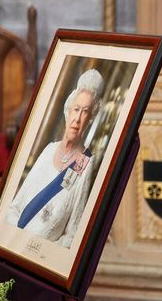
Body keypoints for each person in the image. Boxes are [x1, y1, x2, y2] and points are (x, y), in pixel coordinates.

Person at [7, 69, 105, 248]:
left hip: (41, 256)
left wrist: (43, 251)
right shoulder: (48, 150)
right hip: (14, 242)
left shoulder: (85, 163)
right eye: (76, 109)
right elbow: (15, 207)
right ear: (68, 111)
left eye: (85, 112)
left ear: (90, 119)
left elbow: (73, 234)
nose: (77, 118)